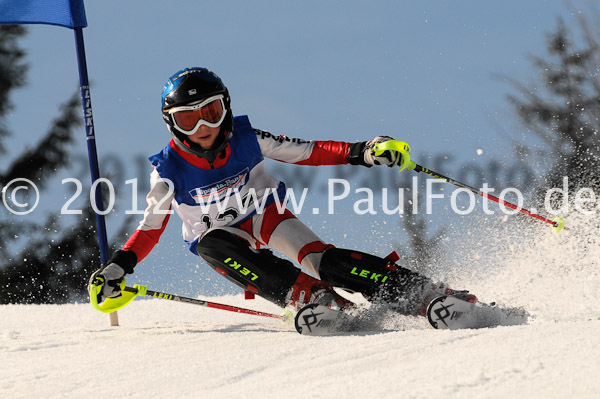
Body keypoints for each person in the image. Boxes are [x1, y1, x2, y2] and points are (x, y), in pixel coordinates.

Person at [89, 67, 475, 316]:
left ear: (225, 108)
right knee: (211, 245)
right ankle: (312, 299)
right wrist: (119, 266)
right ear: (172, 125)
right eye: (188, 119)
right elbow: (150, 228)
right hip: (219, 236)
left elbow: (306, 152)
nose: (202, 127)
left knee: (321, 259)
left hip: (262, 214)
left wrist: (363, 151)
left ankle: (421, 292)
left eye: (211, 112)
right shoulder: (168, 171)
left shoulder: (247, 139)